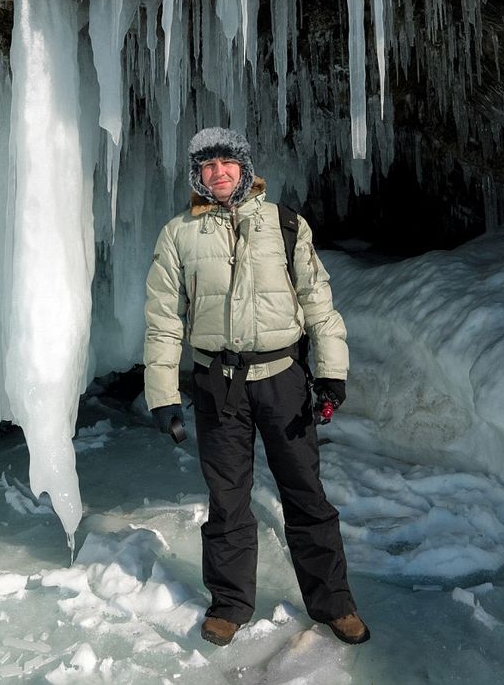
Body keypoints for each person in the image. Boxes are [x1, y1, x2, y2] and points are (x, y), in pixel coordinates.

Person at [143, 127, 369, 648]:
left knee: (307, 495)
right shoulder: (178, 234)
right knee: (228, 501)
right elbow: (162, 320)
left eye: (227, 162)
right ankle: (229, 605)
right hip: (217, 384)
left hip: (282, 379)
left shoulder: (286, 225)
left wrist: (332, 370)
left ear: (245, 168)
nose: (218, 172)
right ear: (196, 175)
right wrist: (162, 394)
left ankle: (334, 603)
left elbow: (318, 302)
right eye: (207, 165)